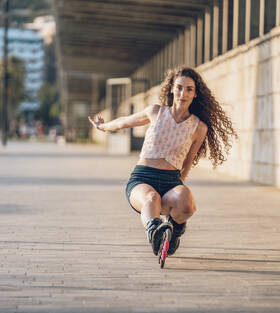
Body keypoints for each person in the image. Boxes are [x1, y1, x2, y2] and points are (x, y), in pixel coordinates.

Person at [89, 66, 237, 257]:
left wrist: (179, 189)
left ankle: (175, 229)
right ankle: (155, 233)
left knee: (187, 203)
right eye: (179, 87)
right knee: (151, 199)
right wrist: (103, 126)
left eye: (189, 89)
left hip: (171, 181)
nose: (183, 93)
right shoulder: (155, 112)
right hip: (142, 179)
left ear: (195, 94)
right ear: (172, 89)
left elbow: (187, 163)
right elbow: (124, 122)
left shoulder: (199, 127)